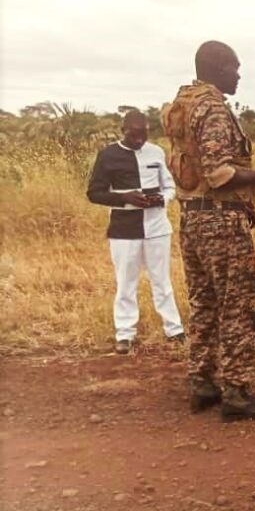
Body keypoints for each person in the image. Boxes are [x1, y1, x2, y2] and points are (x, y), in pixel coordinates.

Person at [162, 40, 255, 421]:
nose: (238, 75)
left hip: (192, 218)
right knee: (236, 304)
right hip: (220, 219)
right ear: (217, 68)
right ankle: (235, 390)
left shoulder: (182, 105)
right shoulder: (213, 109)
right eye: (234, 67)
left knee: (204, 302)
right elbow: (220, 174)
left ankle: (201, 383)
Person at [86, 110, 185, 354]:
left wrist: (162, 199)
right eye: (134, 134)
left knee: (162, 281)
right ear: (123, 130)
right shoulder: (108, 155)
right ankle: (125, 334)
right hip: (123, 229)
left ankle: (174, 330)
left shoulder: (156, 152)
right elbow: (94, 193)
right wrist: (124, 198)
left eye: (144, 134)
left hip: (157, 227)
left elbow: (170, 186)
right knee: (126, 283)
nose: (140, 139)